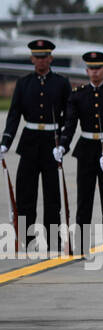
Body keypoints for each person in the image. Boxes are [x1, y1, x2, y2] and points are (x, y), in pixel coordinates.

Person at [0, 39, 71, 251]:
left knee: (52, 197)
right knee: (25, 196)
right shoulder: (23, 83)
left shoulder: (61, 83)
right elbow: (14, 115)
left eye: (44, 56)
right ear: (32, 58)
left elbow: (69, 117)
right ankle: (26, 239)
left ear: (51, 58)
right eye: (37, 56)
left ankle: (53, 240)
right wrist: (5, 142)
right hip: (29, 143)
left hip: (52, 143)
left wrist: (64, 144)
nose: (40, 60)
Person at [57, 51, 103, 255]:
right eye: (91, 68)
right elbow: (70, 124)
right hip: (87, 149)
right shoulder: (78, 94)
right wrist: (63, 145)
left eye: (98, 68)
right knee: (84, 200)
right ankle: (81, 243)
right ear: (86, 70)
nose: (95, 72)